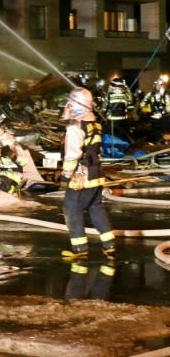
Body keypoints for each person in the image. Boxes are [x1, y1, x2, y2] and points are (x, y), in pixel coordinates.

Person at [59, 87, 116, 259]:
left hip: (80, 177)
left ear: (79, 105)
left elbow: (72, 154)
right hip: (96, 173)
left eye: (71, 103)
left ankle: (79, 249)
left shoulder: (75, 127)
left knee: (72, 210)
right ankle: (109, 245)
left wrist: (65, 176)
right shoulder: (94, 123)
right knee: (96, 208)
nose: (67, 106)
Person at [102, 77, 133, 142]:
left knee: (122, 140)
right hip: (112, 123)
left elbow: (130, 104)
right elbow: (104, 109)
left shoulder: (126, 95)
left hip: (123, 122)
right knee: (114, 140)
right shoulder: (109, 95)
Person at [140, 78, 170, 143]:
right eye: (157, 85)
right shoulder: (150, 95)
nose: (158, 87)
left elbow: (168, 106)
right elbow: (142, 104)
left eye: (160, 85)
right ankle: (156, 144)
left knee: (164, 134)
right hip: (154, 118)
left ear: (162, 86)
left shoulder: (166, 95)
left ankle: (164, 144)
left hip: (164, 118)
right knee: (155, 134)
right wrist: (149, 109)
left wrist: (166, 110)